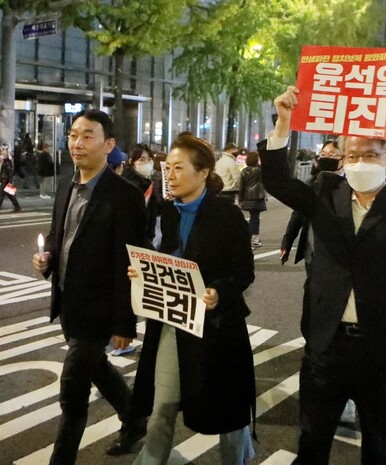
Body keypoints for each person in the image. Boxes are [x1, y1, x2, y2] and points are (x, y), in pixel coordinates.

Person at [259, 86, 386, 465]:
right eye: (352, 154)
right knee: (312, 440)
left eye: (370, 153)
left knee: (379, 444)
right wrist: (284, 123)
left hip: (382, 347)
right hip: (327, 343)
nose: (360, 161)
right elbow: (277, 183)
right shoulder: (325, 190)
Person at [124, 134, 256, 465]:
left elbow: (243, 273)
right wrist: (145, 273)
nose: (169, 175)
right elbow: (165, 258)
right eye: (167, 168)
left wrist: (218, 293)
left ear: (203, 172)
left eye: (178, 168)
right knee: (162, 406)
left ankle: (237, 460)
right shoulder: (166, 211)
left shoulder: (227, 216)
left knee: (229, 411)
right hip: (173, 321)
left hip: (217, 328)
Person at [31, 109, 147, 465]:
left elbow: (130, 263)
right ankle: (135, 419)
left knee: (72, 391)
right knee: (97, 367)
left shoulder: (125, 196)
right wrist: (48, 254)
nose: (77, 143)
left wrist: (124, 323)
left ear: (108, 144)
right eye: (73, 135)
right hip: (68, 300)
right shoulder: (67, 183)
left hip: (100, 309)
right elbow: (58, 232)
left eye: (87, 136)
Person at [279, 139, 344, 267]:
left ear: (344, 158)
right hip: (313, 252)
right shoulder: (312, 184)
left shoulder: (351, 185)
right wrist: (287, 241)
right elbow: (298, 214)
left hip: (340, 256)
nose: (327, 158)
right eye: (323, 155)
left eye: (332, 155)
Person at [122, 143, 160, 244]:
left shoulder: (146, 182)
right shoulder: (131, 186)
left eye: (149, 159)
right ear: (131, 162)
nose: (147, 163)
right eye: (142, 159)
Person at [238, 151, 267, 249]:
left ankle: (250, 238)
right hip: (257, 197)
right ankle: (254, 240)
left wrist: (240, 198)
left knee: (252, 218)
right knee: (255, 218)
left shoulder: (244, 171)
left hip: (247, 197)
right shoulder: (260, 170)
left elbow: (241, 186)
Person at [0, 145, 22, 212]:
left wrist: (10, 181)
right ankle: (17, 206)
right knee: (11, 194)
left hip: (5, 180)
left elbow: (10, 172)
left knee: (1, 194)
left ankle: (17, 206)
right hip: (3, 180)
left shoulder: (7, 162)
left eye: (5, 153)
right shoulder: (2, 161)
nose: (3, 154)